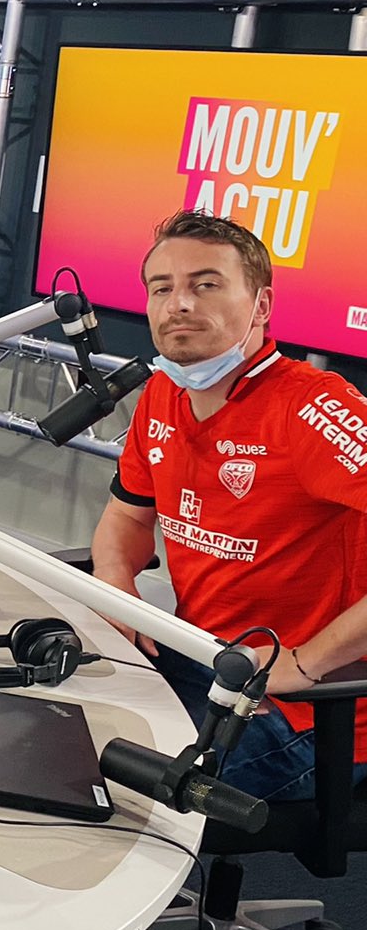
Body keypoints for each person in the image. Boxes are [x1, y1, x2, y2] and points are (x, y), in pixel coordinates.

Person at [91, 209, 367, 802]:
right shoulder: (162, 392)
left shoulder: (314, 406)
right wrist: (115, 584)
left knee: (112, 786)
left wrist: (305, 663)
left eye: (206, 284)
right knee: (45, 724)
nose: (178, 304)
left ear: (261, 306)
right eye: (161, 288)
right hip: (202, 661)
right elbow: (127, 517)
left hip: (307, 714)